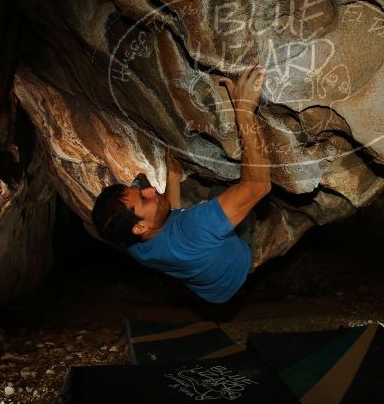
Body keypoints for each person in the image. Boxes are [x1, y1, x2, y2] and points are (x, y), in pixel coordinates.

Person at [91, 59, 271, 303]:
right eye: (144, 199)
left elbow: (172, 217)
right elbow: (259, 186)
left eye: (140, 191)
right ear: (140, 227)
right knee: (235, 184)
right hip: (237, 268)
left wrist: (173, 178)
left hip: (211, 292)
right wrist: (244, 112)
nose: (152, 190)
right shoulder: (195, 227)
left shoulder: (133, 244)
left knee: (213, 195)